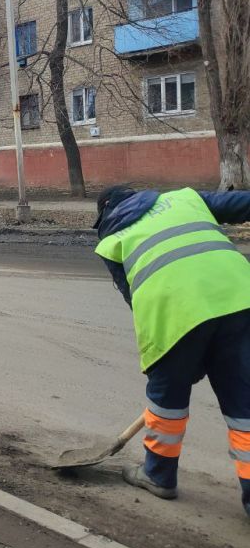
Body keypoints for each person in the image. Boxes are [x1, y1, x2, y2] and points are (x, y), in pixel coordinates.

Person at [94, 185, 250, 516]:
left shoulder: (111, 241)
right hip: (240, 297)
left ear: (106, 215)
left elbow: (135, 298)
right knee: (245, 403)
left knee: (167, 400)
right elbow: (243, 203)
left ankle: (158, 475)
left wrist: (181, 359)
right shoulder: (186, 197)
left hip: (174, 314)